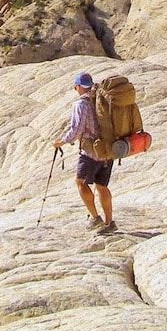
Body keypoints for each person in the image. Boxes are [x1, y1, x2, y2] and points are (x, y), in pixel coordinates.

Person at [53, 71, 116, 234]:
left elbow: (77, 129)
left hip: (91, 151)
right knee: (102, 186)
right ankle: (109, 223)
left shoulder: (81, 105)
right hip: (108, 148)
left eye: (76, 86)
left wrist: (62, 141)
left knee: (80, 182)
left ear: (78, 87)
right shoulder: (100, 100)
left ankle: (95, 218)